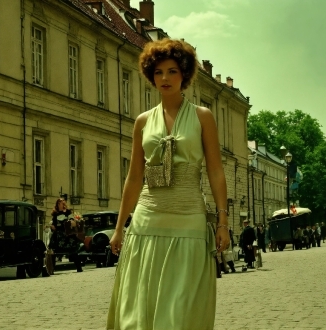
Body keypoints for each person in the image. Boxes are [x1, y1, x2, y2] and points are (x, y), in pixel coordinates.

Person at [107, 38, 229, 330]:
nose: (165, 78)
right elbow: (135, 177)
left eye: (172, 71)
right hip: (147, 220)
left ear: (184, 75)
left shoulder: (203, 117)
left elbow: (215, 171)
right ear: (151, 75)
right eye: (159, 72)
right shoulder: (142, 122)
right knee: (140, 304)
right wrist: (119, 226)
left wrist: (222, 222)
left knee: (182, 306)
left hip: (189, 218)